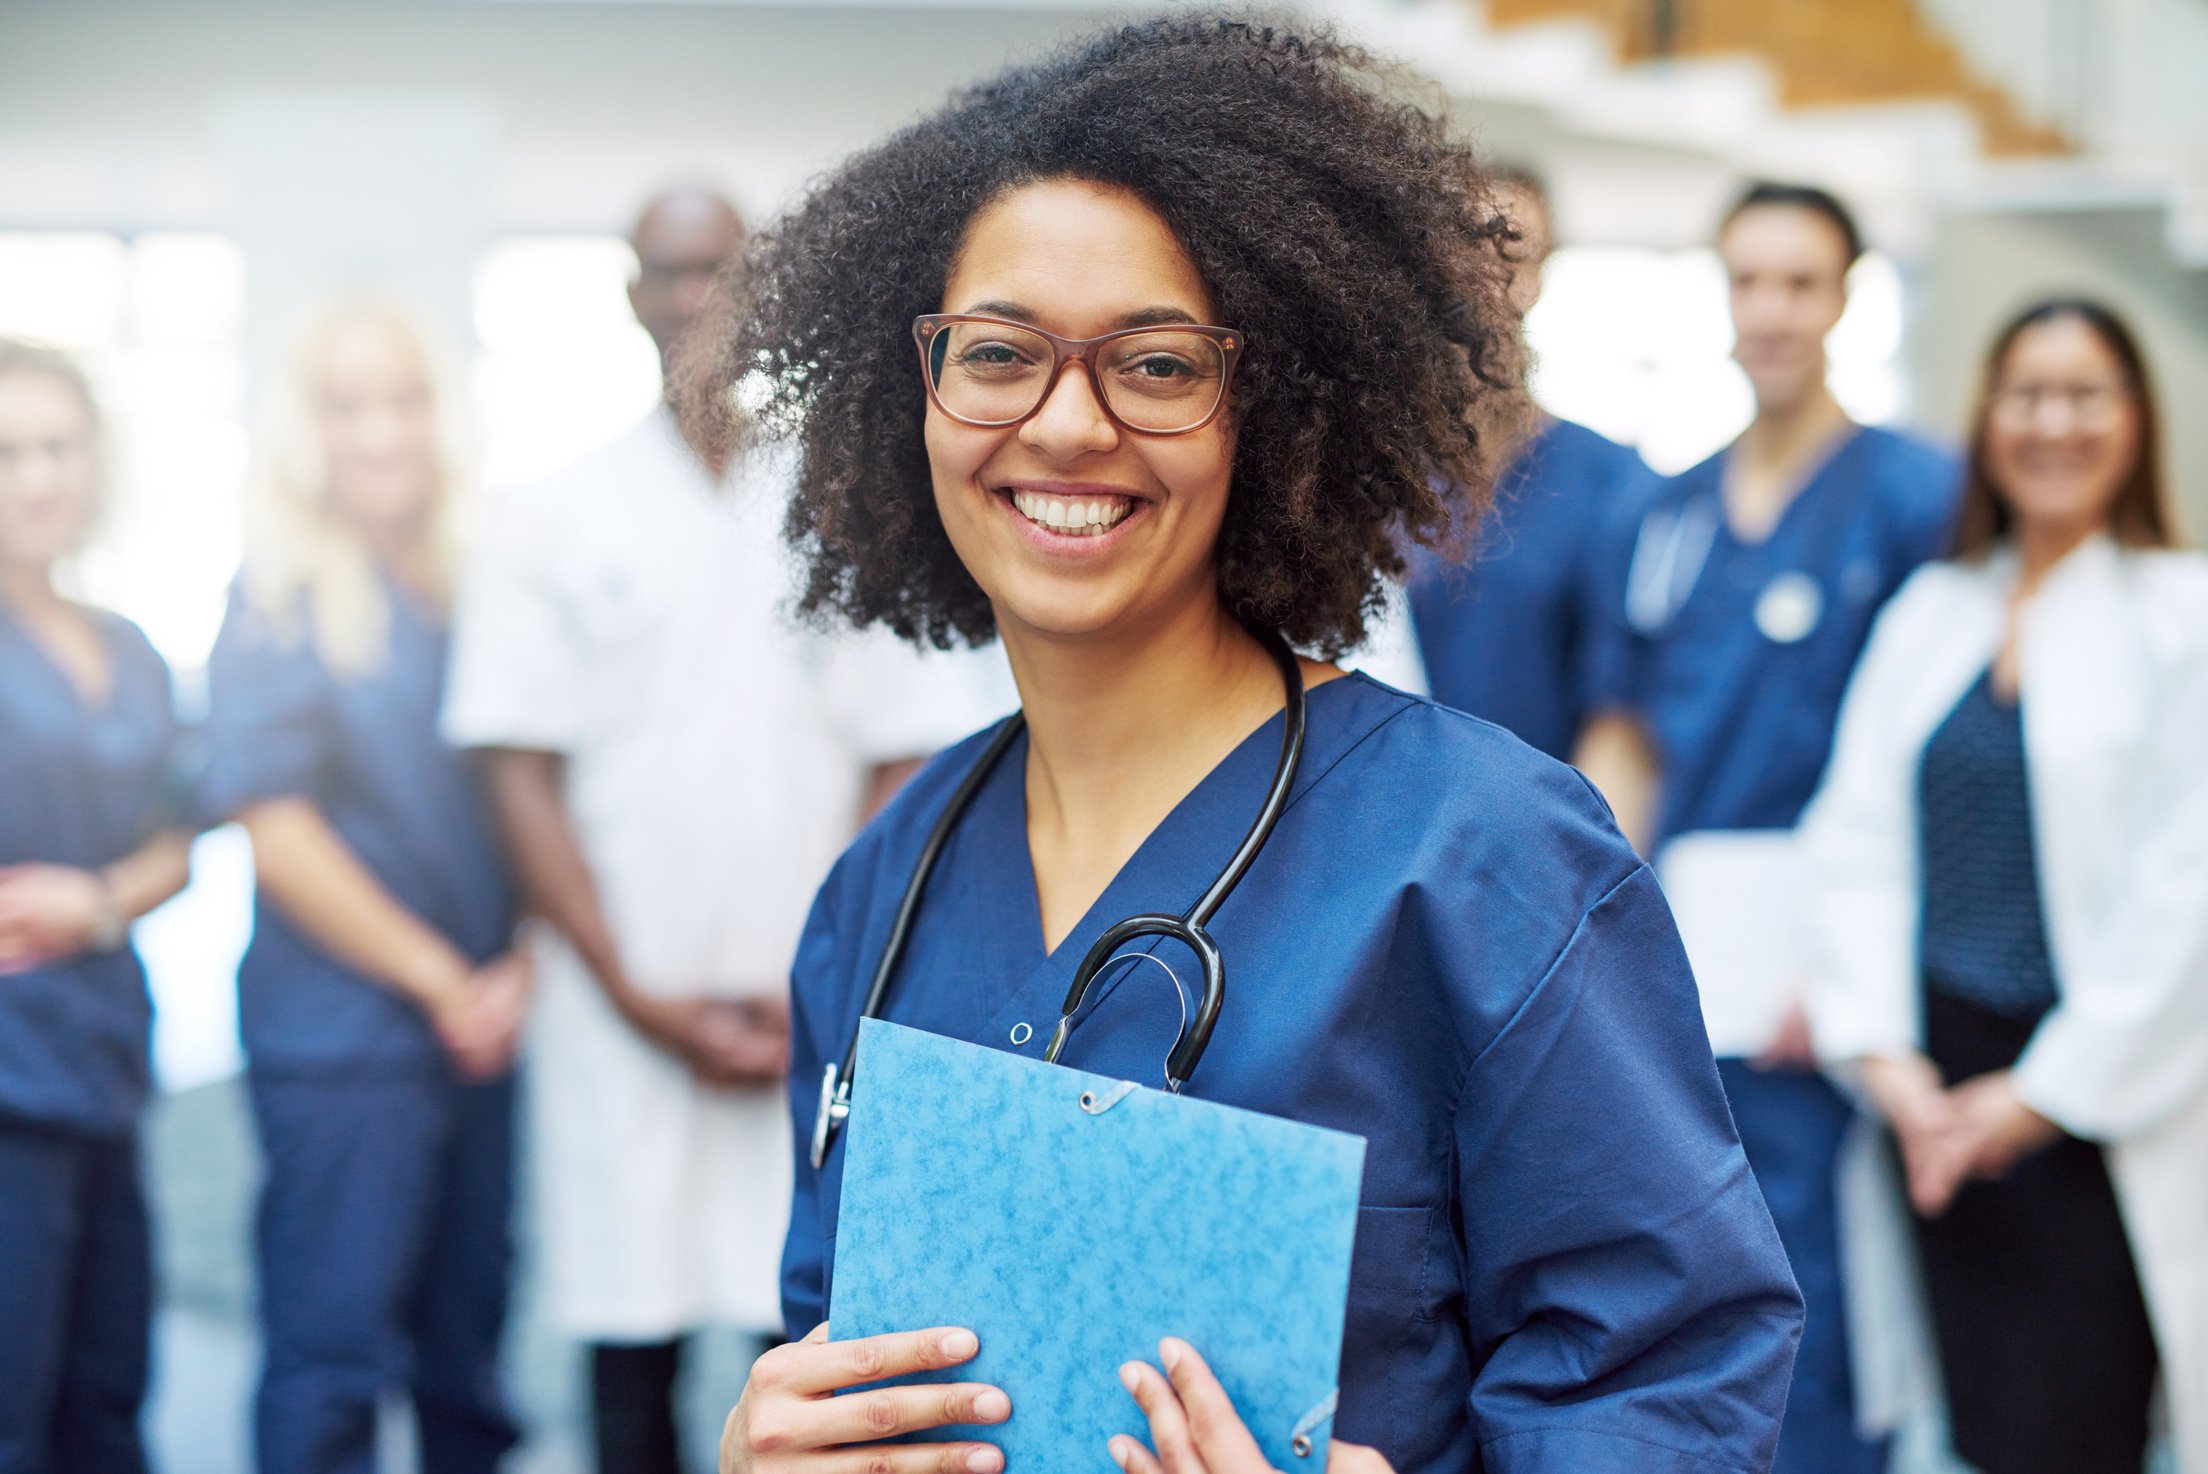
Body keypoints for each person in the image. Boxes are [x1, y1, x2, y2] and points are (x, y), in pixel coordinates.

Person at [686, 19, 1804, 1474]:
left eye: (1155, 364)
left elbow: (1677, 1391)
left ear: (1271, 413)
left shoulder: (1487, 859)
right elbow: (837, 1345)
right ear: (916, 396)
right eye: (1001, 351)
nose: (1066, 422)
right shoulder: (877, 899)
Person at [442, 188, 1006, 1474]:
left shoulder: (844, 501)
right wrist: (640, 995)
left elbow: (901, 747)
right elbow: (515, 766)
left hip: (809, 1006)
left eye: (716, 269)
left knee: (800, 1337)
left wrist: (816, 973)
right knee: (627, 1344)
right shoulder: (549, 511)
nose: (692, 296)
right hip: (619, 1004)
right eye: (666, 271)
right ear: (629, 294)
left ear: (759, 288)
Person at [1573, 182, 1959, 1474]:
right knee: (1688, 1239)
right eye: (1749, 281)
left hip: (1833, 930)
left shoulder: (1913, 496)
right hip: (1690, 929)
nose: (1772, 310)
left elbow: (1932, 755)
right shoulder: (1664, 513)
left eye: (1801, 282)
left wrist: (1848, 969)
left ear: (1846, 296)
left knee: (1820, 1256)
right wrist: (1604, 919)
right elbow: (1625, 726)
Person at [1800, 298, 2208, 1474]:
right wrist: (1890, 1064)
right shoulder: (1937, 610)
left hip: (2097, 1102)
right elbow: (1858, 837)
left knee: (2076, 1433)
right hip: (1937, 1092)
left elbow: (2187, 893)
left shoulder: (2179, 617)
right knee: (1969, 1427)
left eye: (2087, 394)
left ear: (2136, 419)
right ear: (1986, 417)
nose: (2054, 423)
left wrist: (2038, 1098)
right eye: (2027, 393)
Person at [198, 300, 528, 1474]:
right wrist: (450, 984)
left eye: (405, 399)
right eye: (347, 406)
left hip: (486, 1029)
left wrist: (521, 972)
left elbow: (534, 795)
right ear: (307, 431)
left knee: (469, 1362)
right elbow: (275, 831)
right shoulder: (278, 595)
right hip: (345, 1040)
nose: (381, 433)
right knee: (332, 1362)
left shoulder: (479, 582)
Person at [0, 340, 190, 1474]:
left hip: (105, 1058)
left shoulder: (129, 648)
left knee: (108, 1390)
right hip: (9, 1076)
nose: (36, 476)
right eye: (7, 451)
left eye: (58, 447)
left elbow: (178, 844)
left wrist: (96, 899)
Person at [1405, 165, 1649, 758]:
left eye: (1511, 249)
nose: (1487, 274)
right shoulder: (1377, 480)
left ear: (1543, 274)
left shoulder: (1610, 483)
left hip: (1544, 817)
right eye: (1463, 245)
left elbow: (1619, 716)